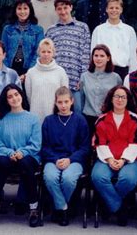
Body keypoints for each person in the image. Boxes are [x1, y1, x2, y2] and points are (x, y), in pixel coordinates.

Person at [0, 84, 41, 227]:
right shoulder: (1, 119)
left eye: (16, 94)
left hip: (29, 156)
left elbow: (36, 144)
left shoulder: (33, 118)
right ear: (6, 100)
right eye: (10, 96)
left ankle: (33, 208)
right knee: (1, 164)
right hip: (7, 156)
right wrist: (10, 153)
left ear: (22, 95)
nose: (14, 98)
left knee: (25, 163)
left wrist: (22, 152)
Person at [91, 85, 137, 226]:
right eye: (117, 96)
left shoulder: (134, 119)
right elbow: (99, 143)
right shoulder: (101, 119)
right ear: (111, 99)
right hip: (106, 159)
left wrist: (123, 160)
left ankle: (108, 205)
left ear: (128, 100)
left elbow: (136, 143)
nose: (120, 99)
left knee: (128, 179)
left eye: (123, 97)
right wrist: (110, 159)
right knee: (98, 177)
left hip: (129, 160)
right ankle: (120, 209)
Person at [42, 86, 89, 226]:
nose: (63, 105)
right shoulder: (49, 120)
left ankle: (59, 208)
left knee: (68, 178)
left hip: (74, 159)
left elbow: (85, 147)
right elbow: (44, 147)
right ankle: (63, 208)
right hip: (53, 159)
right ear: (55, 103)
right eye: (60, 102)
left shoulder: (80, 120)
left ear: (72, 101)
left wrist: (70, 159)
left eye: (66, 102)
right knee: (50, 177)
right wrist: (56, 159)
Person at [46, 0, 91, 114]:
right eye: (59, 9)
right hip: (56, 79)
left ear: (71, 8)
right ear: (56, 11)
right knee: (55, 113)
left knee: (77, 112)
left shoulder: (82, 27)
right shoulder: (51, 30)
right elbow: (48, 57)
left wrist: (82, 77)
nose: (63, 11)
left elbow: (85, 53)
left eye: (65, 7)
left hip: (75, 79)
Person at [91, 0, 137, 81]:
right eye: (111, 8)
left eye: (117, 8)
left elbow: (133, 56)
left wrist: (131, 77)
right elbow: (93, 53)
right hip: (103, 71)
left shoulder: (129, 30)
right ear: (106, 9)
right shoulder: (99, 30)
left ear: (121, 10)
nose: (114, 10)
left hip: (123, 72)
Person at [80, 44, 122, 137]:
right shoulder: (84, 77)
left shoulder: (116, 77)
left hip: (108, 119)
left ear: (108, 58)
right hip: (88, 118)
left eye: (102, 56)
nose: (98, 58)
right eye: (96, 55)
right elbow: (81, 99)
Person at [25, 38, 69, 123]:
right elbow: (29, 95)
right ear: (39, 52)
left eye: (49, 52)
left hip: (55, 114)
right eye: (43, 52)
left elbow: (64, 94)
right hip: (36, 114)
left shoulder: (60, 71)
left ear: (53, 53)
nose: (46, 54)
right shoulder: (31, 72)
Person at [2, 0, 44, 79]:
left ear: (30, 10)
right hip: (10, 69)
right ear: (15, 11)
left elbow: (38, 53)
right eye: (19, 8)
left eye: (25, 8)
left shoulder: (38, 30)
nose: (22, 11)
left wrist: (28, 73)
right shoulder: (7, 29)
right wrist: (7, 70)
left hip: (30, 70)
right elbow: (3, 51)